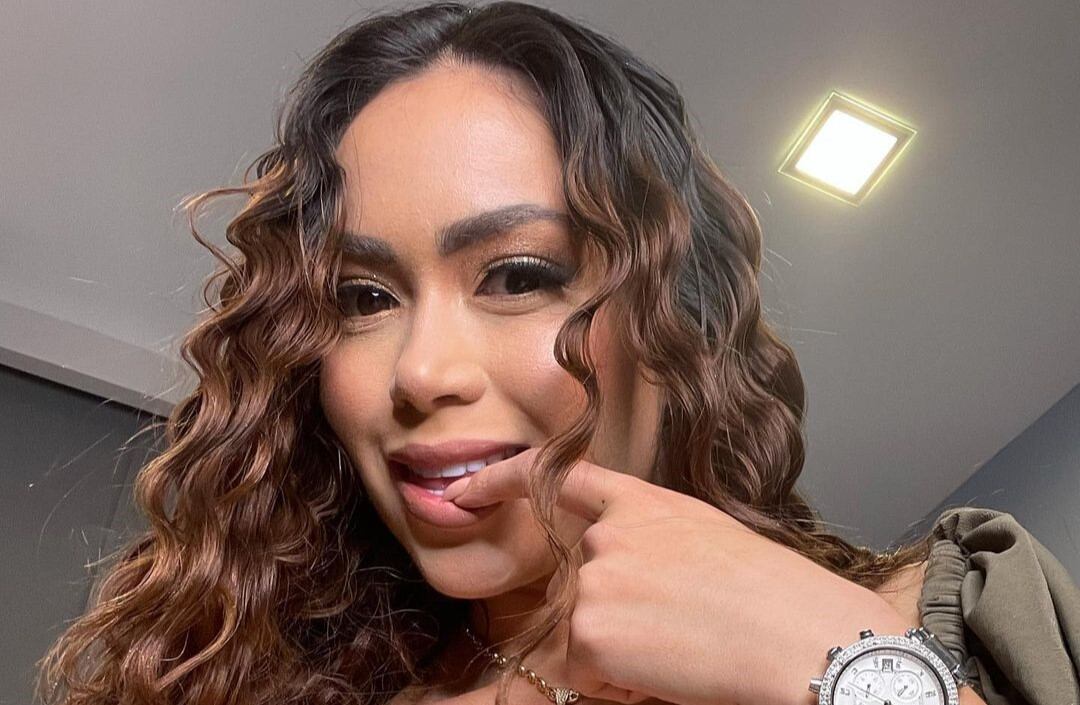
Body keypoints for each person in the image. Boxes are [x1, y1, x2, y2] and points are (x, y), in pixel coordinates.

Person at [36, 3, 1079, 705]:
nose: (419, 373)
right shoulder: (249, 678)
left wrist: (838, 667)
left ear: (674, 319)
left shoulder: (947, 614)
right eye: (364, 297)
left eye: (518, 276)